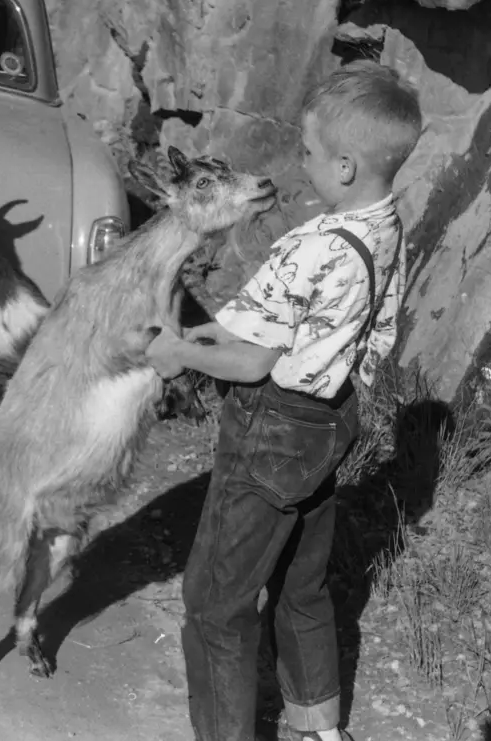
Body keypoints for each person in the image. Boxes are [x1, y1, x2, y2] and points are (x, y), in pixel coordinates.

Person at [144, 60, 423, 741]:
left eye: (309, 153)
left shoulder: (310, 247)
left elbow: (248, 357)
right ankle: (319, 725)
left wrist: (178, 351)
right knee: (301, 584)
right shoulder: (386, 227)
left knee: (214, 604)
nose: (301, 164)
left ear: (348, 167)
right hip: (331, 424)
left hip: (272, 427)